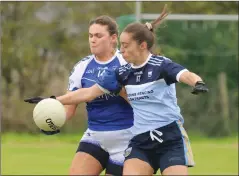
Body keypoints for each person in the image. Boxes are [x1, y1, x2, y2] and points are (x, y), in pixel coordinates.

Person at [26, 5, 209, 175]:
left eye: (125, 45)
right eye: (90, 35)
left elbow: (182, 75)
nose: (121, 50)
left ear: (140, 45)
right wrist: (52, 101)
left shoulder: (147, 64)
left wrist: (197, 82)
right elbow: (88, 93)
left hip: (148, 137)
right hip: (118, 138)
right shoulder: (111, 70)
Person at [25, 15, 134, 176]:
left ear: (113, 38)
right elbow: (70, 107)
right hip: (95, 136)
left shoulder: (126, 64)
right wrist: (53, 122)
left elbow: (140, 103)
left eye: (98, 36)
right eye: (90, 36)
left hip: (125, 139)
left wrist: (121, 90)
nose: (93, 40)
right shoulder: (82, 67)